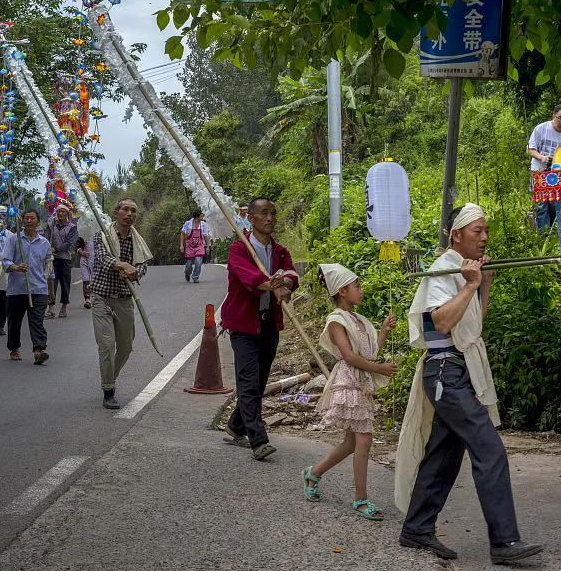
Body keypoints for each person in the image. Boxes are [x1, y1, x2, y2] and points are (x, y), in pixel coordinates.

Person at [394, 203, 542, 565]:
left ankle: (416, 529)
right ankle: (504, 542)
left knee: (444, 456)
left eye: (486, 230)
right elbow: (441, 322)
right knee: (489, 449)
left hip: (457, 371)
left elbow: (472, 324)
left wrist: (482, 285)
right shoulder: (443, 268)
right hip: (445, 372)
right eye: (477, 231)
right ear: (456, 235)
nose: (484, 237)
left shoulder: (461, 272)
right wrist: (471, 282)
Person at [302, 263, 397, 521]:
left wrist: (384, 332)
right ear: (342, 290)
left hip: (361, 381)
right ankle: (360, 498)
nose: (361, 290)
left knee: (351, 442)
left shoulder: (361, 320)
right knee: (363, 439)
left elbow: (370, 352)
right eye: (357, 286)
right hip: (350, 381)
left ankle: (313, 473)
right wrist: (380, 368)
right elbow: (348, 356)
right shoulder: (335, 320)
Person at [221, 197, 299, 461]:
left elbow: (291, 272)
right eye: (264, 214)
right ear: (251, 219)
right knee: (248, 379)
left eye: (273, 214)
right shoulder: (239, 249)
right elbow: (248, 277)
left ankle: (235, 425)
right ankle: (258, 438)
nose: (269, 218)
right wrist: (271, 284)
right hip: (243, 325)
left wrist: (285, 284)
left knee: (260, 379)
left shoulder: (279, 250)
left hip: (269, 323)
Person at [88, 199, 153, 409]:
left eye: (133, 211)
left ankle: (110, 377)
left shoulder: (137, 240)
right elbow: (103, 259)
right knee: (107, 345)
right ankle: (108, 390)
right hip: (101, 298)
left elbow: (142, 265)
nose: (129, 214)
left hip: (125, 299)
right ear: (116, 212)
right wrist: (124, 265)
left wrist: (135, 272)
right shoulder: (102, 236)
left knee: (125, 347)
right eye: (125, 209)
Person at [3, 209, 51, 365]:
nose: (29, 220)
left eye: (32, 218)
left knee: (37, 320)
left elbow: (48, 266)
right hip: (17, 289)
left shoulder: (44, 243)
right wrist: (16, 267)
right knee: (14, 321)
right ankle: (14, 348)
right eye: (26, 218)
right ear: (22, 221)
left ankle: (39, 350)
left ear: (38, 221)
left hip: (38, 288)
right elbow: (5, 262)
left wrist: (50, 288)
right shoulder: (13, 239)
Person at [526, 104, 561, 230]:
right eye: (560, 118)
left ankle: (556, 235)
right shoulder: (541, 129)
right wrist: (542, 157)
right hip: (539, 172)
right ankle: (544, 236)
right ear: (553, 116)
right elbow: (530, 149)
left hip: (560, 175)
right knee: (541, 205)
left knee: (556, 204)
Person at [45, 203, 78, 319]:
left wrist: (56, 249)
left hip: (65, 259)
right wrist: (48, 250)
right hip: (52, 259)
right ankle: (51, 308)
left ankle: (64, 307)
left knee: (65, 284)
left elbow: (69, 243)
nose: (60, 214)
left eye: (63, 212)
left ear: (67, 214)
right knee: (51, 284)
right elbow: (46, 239)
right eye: (58, 212)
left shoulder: (72, 227)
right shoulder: (51, 225)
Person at [181, 210, 208, 283]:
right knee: (189, 264)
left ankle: (195, 276)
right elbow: (182, 234)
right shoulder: (188, 224)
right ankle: (187, 273)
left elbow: (206, 236)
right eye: (201, 215)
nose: (202, 217)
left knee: (198, 262)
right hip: (190, 246)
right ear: (197, 216)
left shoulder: (203, 225)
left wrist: (207, 246)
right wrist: (181, 245)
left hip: (199, 246)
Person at [76, 236, 92, 309]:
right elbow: (77, 245)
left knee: (96, 280)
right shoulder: (83, 231)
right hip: (84, 261)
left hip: (96, 260)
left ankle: (97, 299)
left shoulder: (102, 232)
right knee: (86, 280)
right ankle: (87, 300)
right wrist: (81, 252)